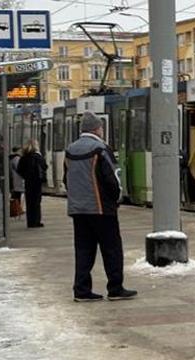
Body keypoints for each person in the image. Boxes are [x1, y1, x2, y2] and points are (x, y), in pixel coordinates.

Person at [64, 112, 136, 302]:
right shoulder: (101, 149)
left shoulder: (70, 150)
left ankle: (81, 290)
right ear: (97, 129)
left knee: (83, 250)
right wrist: (115, 200)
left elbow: (66, 179)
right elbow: (112, 179)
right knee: (111, 249)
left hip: (78, 210)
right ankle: (115, 288)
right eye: (101, 128)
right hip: (101, 208)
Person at [17, 139, 48, 228]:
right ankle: (36, 221)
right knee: (36, 202)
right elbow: (44, 166)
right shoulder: (38, 156)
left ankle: (30, 222)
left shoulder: (24, 157)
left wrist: (25, 176)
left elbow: (19, 169)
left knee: (29, 202)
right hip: (37, 182)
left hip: (28, 182)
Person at [9, 147, 25, 218]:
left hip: (14, 179)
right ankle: (16, 210)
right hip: (17, 179)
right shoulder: (17, 159)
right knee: (16, 196)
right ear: (18, 151)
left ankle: (16, 209)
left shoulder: (11, 158)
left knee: (15, 195)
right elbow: (19, 169)